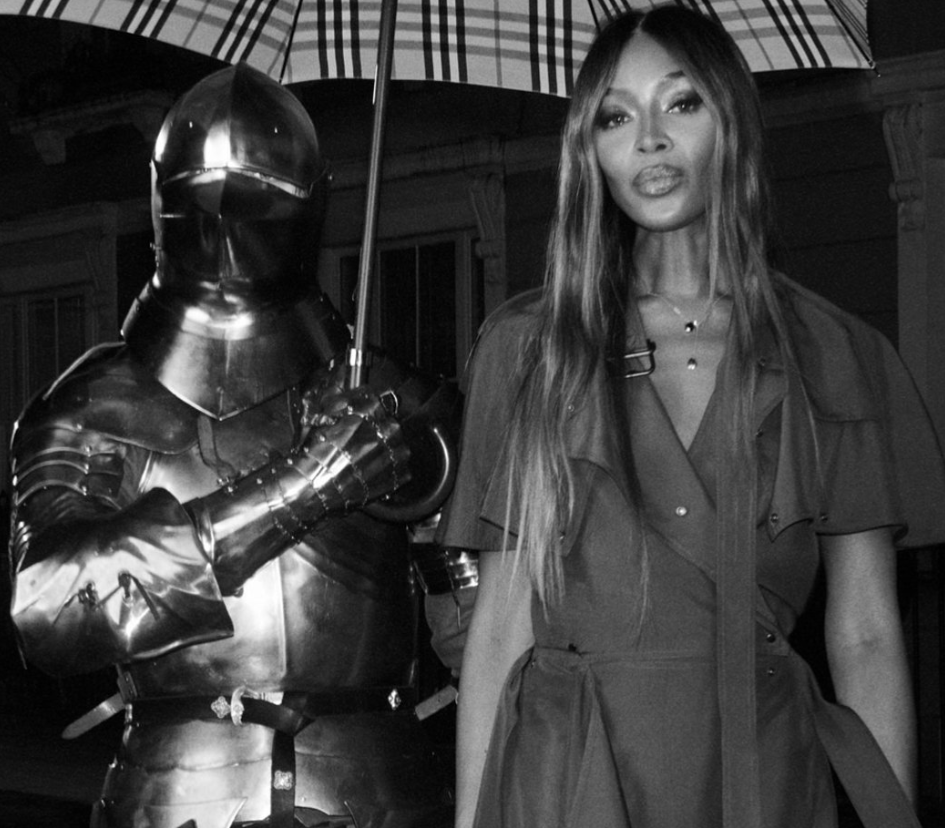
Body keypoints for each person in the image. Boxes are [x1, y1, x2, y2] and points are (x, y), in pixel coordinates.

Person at [438, 6, 945, 828]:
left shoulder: (832, 351)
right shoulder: (527, 348)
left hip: (758, 772)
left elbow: (864, 635)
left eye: (680, 103)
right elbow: (499, 625)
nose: (648, 139)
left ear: (730, 123)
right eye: (613, 117)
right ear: (588, 152)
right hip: (566, 780)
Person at [9, 64, 456, 828]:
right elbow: (50, 612)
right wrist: (303, 486)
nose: (224, 221)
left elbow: (480, 612)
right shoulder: (94, 402)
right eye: (203, 195)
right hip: (177, 788)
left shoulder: (387, 399)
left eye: (256, 196)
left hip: (377, 788)